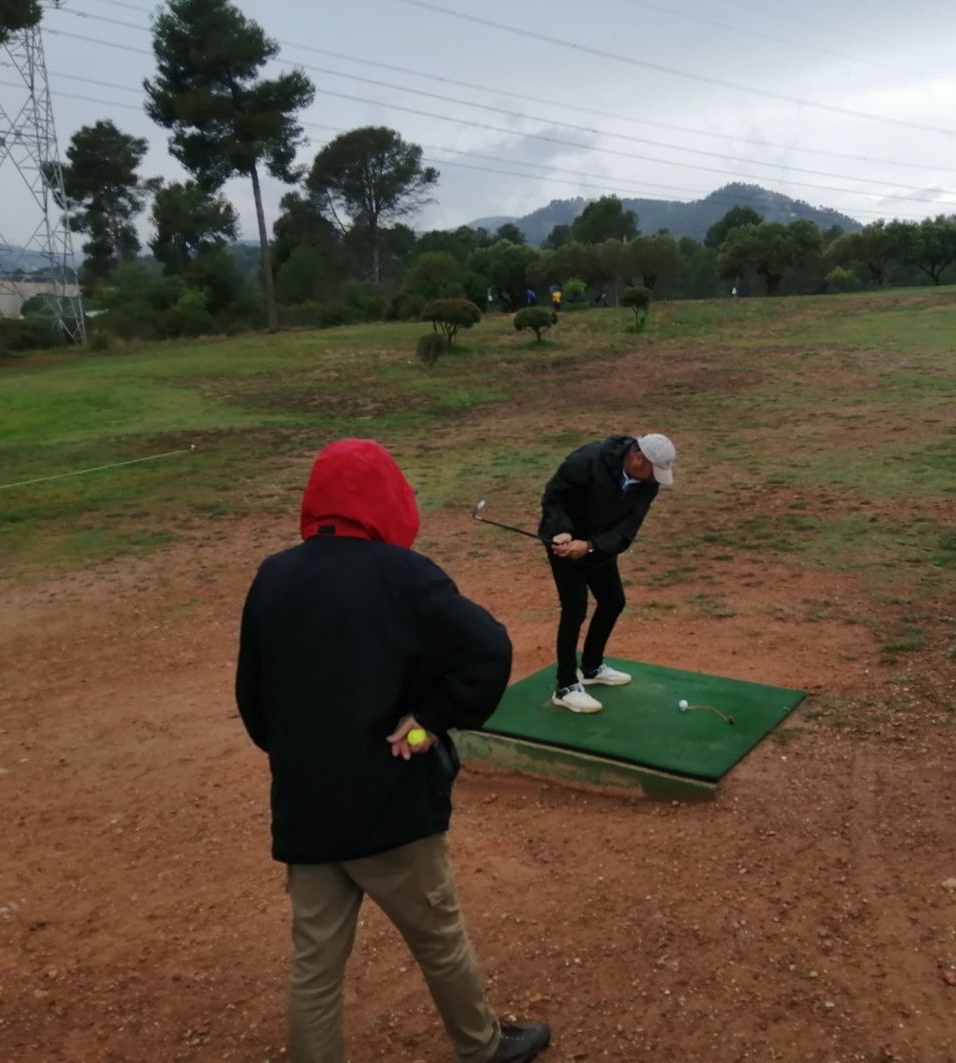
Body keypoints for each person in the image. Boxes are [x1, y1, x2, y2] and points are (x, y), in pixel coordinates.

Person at [236, 439, 551, 1063]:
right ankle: (482, 1047)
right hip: (391, 800)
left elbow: (253, 698)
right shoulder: (406, 575)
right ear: (387, 497)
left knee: (314, 968)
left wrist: (302, 754)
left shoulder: (274, 576)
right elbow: (488, 649)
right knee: (438, 939)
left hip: (306, 806)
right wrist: (428, 721)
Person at [538, 433, 677, 713]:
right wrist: (562, 531)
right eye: (654, 470)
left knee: (613, 601)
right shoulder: (587, 460)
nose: (656, 479)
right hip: (564, 542)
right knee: (575, 608)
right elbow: (554, 497)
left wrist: (591, 546)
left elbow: (627, 529)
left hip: (597, 545)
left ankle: (591, 667)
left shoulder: (648, 484)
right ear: (638, 458)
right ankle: (565, 686)